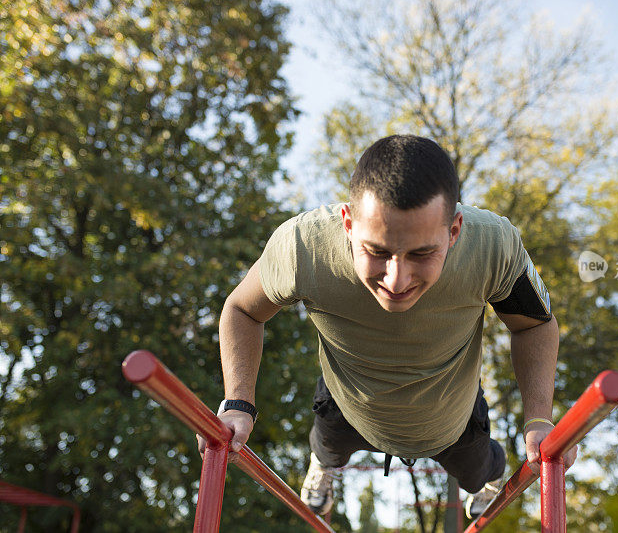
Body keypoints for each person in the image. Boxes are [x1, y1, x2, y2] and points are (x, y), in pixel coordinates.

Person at [197, 135, 577, 518]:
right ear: (347, 224)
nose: (396, 280)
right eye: (376, 251)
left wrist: (539, 419)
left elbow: (534, 325)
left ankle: (488, 477)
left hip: (449, 413)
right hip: (347, 399)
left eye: (422, 254)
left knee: (479, 471)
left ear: (454, 231)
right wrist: (238, 403)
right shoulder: (303, 248)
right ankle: (324, 466)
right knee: (326, 446)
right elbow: (242, 309)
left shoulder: (492, 247)